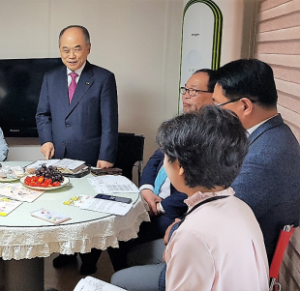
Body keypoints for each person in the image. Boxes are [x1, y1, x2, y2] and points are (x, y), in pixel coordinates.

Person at [115, 106, 269, 290]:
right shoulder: (240, 206)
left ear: (179, 167)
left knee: (116, 278)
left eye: (166, 155)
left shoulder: (192, 234)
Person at [108, 69, 217, 272]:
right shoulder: (182, 125)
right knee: (115, 228)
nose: (185, 95)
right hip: (154, 200)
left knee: (121, 234)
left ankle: (128, 277)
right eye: (185, 89)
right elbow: (156, 158)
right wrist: (147, 189)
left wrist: (159, 207)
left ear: (215, 96)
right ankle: (125, 277)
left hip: (176, 212)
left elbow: (204, 188)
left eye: (193, 91)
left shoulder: (214, 137)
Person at [37, 25, 118, 275]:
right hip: (59, 158)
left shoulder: (103, 78)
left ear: (88, 48)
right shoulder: (50, 78)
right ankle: (66, 252)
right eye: (65, 50)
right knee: (63, 206)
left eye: (77, 48)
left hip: (92, 157)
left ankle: (90, 258)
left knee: (89, 209)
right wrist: (46, 140)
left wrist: (106, 156)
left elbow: (109, 122)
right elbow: (43, 114)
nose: (71, 55)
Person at [212, 58, 300, 263]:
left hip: (230, 267)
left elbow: (218, 221)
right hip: (233, 248)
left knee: (125, 276)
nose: (214, 114)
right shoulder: (274, 134)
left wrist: (176, 230)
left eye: (217, 106)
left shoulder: (264, 158)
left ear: (244, 106)